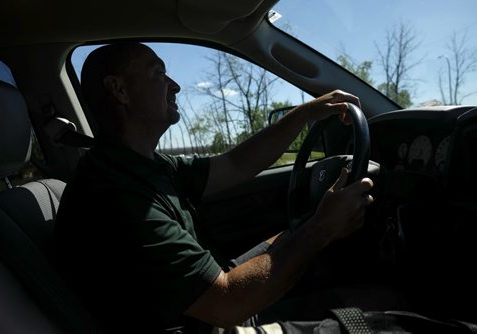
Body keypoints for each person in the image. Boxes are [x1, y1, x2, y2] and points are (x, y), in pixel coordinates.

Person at [53, 42, 374, 333]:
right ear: (119, 90)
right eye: (159, 73)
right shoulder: (114, 194)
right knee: (378, 320)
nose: (175, 85)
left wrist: (304, 114)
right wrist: (321, 228)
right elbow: (227, 305)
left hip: (209, 303)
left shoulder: (146, 165)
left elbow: (236, 165)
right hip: (210, 320)